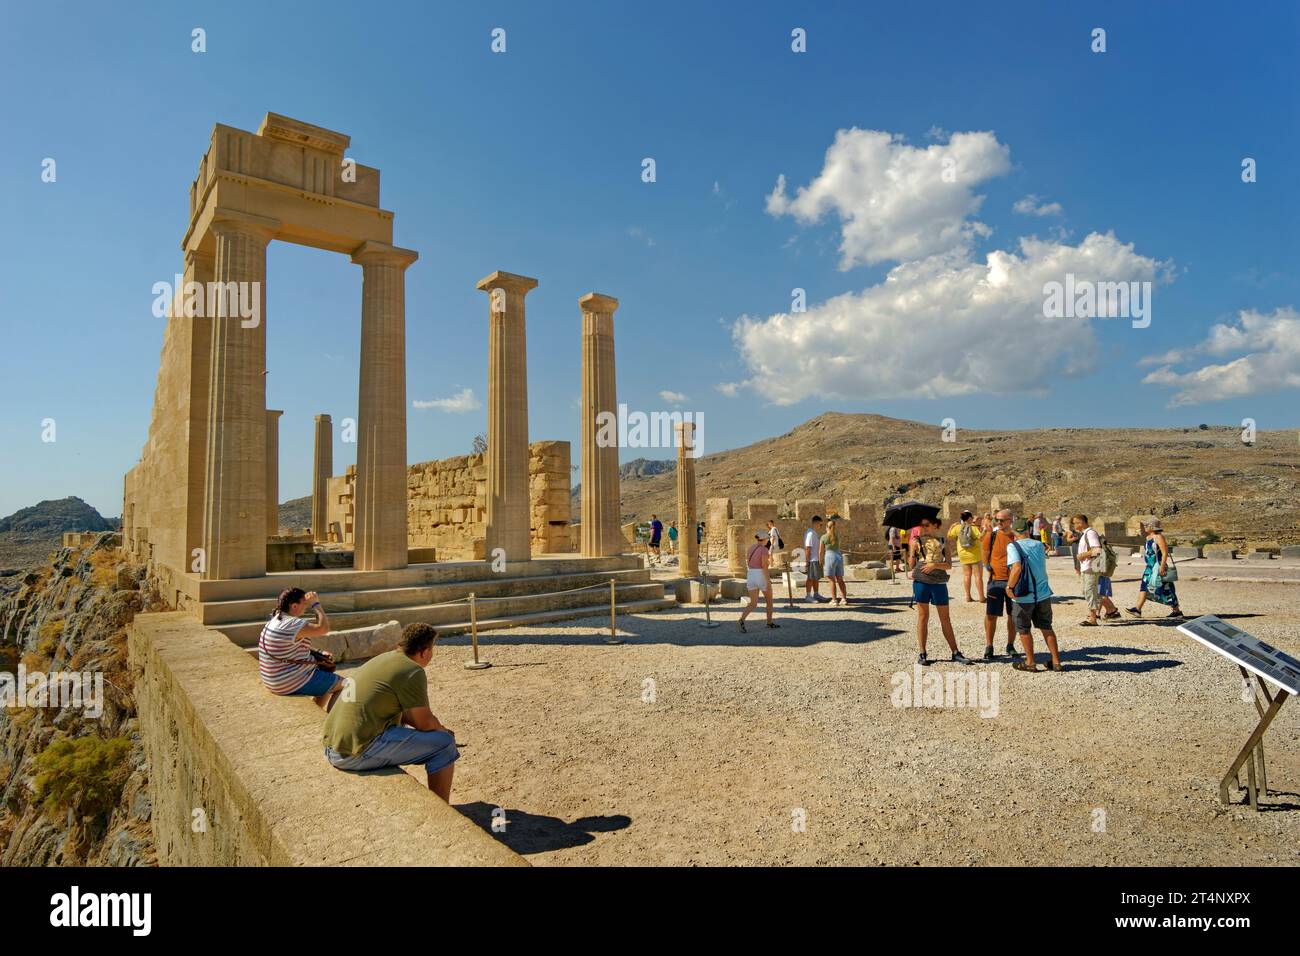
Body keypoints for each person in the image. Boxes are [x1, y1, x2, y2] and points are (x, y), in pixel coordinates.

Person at [322, 623, 459, 801]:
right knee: (445, 744)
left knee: (420, 729)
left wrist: (435, 726)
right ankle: (443, 808)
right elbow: (424, 723)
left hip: (334, 745)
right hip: (352, 754)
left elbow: (413, 717)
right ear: (425, 652)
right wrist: (443, 731)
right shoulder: (412, 670)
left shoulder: (384, 658)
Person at [259, 587, 344, 710]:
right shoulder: (292, 624)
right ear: (294, 606)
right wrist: (316, 604)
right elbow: (323, 629)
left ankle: (317, 713)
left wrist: (319, 652)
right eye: (304, 604)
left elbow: (290, 647)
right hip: (288, 682)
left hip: (273, 679)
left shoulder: (275, 619)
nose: (306, 607)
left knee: (327, 680)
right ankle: (334, 723)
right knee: (348, 684)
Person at [909, 516, 969, 666]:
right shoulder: (917, 541)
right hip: (921, 582)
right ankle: (922, 653)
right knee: (923, 617)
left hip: (939, 583)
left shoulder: (943, 541)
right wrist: (912, 550)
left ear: (935, 525)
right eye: (921, 525)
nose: (923, 528)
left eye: (926, 525)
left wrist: (934, 565)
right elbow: (911, 565)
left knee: (945, 618)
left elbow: (948, 565)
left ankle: (955, 652)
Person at [1006, 532, 1062, 672]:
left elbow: (1017, 568)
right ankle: (1056, 662)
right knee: (1046, 627)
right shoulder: (1038, 544)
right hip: (1043, 594)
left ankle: (1030, 662)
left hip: (1024, 596)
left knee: (1024, 629)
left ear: (1014, 534)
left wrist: (1009, 587)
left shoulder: (1013, 546)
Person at [981, 510, 1021, 661]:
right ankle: (989, 645)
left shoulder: (1016, 537)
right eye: (997, 520)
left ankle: (1010, 645)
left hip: (1014, 581)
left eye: (1002, 520)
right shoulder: (991, 536)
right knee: (991, 615)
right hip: (996, 581)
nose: (998, 523)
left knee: (1013, 615)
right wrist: (989, 569)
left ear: (1010, 520)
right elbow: (985, 556)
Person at [1127, 520, 1184, 619]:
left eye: (1146, 525)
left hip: (1158, 566)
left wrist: (1162, 567)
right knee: (1144, 586)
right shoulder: (1148, 538)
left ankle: (1176, 611)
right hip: (1149, 567)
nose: (1144, 527)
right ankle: (1138, 609)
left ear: (1152, 527)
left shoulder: (1159, 537)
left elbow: (1165, 552)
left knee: (1167, 588)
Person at [1072, 514, 1119, 625]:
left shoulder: (1090, 533)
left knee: (1090, 592)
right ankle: (1111, 610)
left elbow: (1097, 550)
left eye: (1075, 523)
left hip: (1091, 567)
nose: (1074, 525)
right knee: (1088, 591)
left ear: (1080, 522)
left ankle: (1092, 618)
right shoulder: (1084, 534)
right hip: (1087, 567)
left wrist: (1081, 555)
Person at [738, 531, 778, 632]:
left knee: (753, 603)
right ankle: (769, 622)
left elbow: (749, 562)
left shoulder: (751, 548)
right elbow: (764, 566)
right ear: (764, 539)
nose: (768, 540)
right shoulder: (764, 550)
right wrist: (768, 581)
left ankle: (741, 619)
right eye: (767, 538)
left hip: (751, 574)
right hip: (760, 575)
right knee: (769, 601)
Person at [947, 510, 985, 602]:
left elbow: (949, 536)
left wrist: (951, 526)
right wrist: (985, 530)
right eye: (972, 518)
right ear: (969, 518)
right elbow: (981, 538)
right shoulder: (973, 527)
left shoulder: (957, 527)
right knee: (978, 576)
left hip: (963, 555)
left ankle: (968, 597)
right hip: (974, 555)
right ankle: (981, 597)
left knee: (967, 575)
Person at [820, 517, 848, 606]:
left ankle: (834, 599)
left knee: (831, 580)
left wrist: (820, 560)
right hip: (838, 555)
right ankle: (843, 599)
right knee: (840, 579)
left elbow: (821, 551)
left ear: (826, 527)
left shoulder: (824, 537)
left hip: (829, 556)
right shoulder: (837, 536)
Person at [803, 515, 829, 603]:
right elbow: (808, 548)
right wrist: (807, 561)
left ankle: (816, 594)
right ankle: (808, 595)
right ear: (816, 523)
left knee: (815, 578)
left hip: (815, 559)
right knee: (810, 578)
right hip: (812, 559)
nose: (820, 526)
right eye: (820, 524)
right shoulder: (810, 534)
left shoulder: (813, 533)